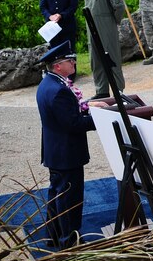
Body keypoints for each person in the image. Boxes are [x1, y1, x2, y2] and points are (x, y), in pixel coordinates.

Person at [36, 42, 108, 248]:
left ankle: (54, 235)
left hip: (55, 150)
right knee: (70, 200)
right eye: (70, 61)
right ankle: (70, 241)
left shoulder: (48, 83)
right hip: (66, 153)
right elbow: (73, 123)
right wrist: (102, 119)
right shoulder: (59, 90)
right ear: (58, 66)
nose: (74, 62)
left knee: (56, 193)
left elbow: (68, 111)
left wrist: (88, 105)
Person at [82, 0, 125, 98]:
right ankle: (101, 90)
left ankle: (118, 90)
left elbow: (118, 7)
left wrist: (113, 22)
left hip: (106, 26)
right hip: (91, 26)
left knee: (111, 57)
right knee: (96, 59)